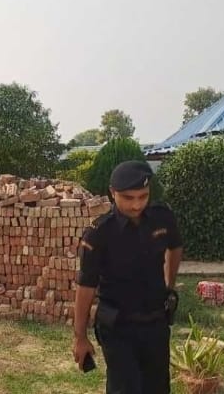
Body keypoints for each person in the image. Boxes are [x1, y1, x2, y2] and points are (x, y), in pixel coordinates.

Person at [72, 160, 183, 394]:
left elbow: (175, 246)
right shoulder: (99, 234)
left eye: (143, 196)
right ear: (112, 192)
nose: (136, 205)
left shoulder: (162, 217)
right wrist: (80, 337)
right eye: (128, 198)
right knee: (126, 388)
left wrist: (169, 284)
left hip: (156, 321)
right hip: (118, 327)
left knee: (158, 388)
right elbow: (86, 286)